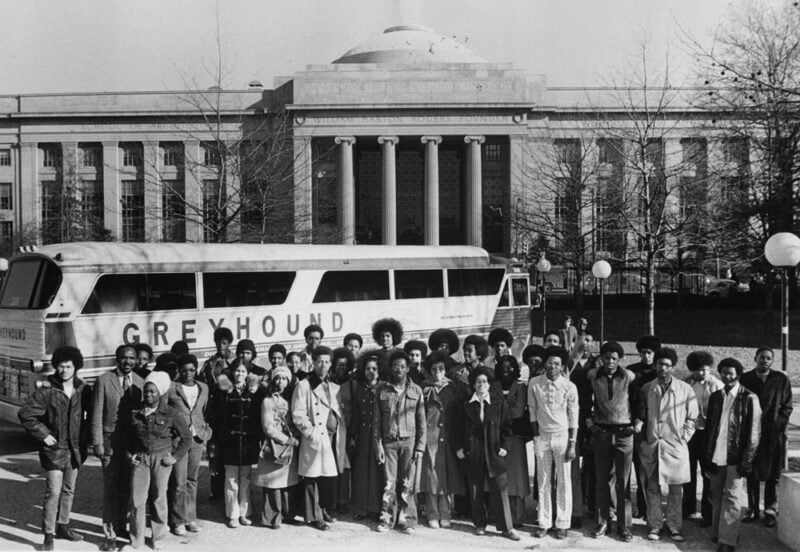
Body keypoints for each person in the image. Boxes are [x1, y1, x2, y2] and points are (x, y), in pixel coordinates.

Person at [18, 346, 92, 551]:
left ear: (76, 366)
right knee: (53, 491)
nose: (64, 370)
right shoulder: (47, 390)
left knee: (69, 490)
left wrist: (85, 438)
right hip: (54, 451)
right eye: (60, 366)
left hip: (75, 449)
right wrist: (44, 435)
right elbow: (26, 414)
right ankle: (48, 535)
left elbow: (92, 415)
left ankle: (63, 526)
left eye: (68, 366)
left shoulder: (83, 389)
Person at [124, 372, 191, 550]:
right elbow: (127, 438)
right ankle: (136, 539)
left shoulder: (171, 413)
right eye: (146, 392)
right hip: (142, 459)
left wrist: (175, 457)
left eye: (153, 392)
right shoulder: (136, 412)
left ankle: (158, 537)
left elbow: (186, 437)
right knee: (137, 500)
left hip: (161, 460)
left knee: (158, 498)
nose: (149, 395)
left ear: (160, 393)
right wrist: (131, 455)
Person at [638, 347, 698, 542]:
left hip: (675, 446)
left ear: (673, 367)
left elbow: (693, 417)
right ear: (655, 366)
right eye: (660, 364)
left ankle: (674, 526)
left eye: (667, 365)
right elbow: (641, 415)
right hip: (653, 445)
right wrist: (646, 440)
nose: (663, 368)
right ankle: (654, 525)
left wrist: (684, 437)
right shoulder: (647, 388)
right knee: (653, 488)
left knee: (675, 490)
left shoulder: (685, 389)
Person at [586, 341, 643, 542]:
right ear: (601, 357)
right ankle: (602, 521)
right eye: (606, 357)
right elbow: (585, 401)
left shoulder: (629, 376)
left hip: (624, 432)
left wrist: (636, 424)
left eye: (614, 358)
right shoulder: (593, 375)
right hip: (602, 431)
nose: (609, 361)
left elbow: (638, 402)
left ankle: (624, 525)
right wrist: (590, 424)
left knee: (623, 481)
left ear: (620, 360)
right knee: (602, 479)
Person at [456, 367, 520, 541]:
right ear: (473, 384)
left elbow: (507, 428)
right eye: (478, 381)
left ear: (489, 384)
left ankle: (507, 528)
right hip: (473, 451)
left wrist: (504, 447)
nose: (481, 385)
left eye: (484, 381)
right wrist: (461, 448)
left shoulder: (499, 402)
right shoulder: (466, 403)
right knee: (475, 489)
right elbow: (457, 429)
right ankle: (479, 524)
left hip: (494, 451)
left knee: (500, 488)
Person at [706, 358, 762, 552]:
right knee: (716, 495)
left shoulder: (749, 398)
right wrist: (708, 456)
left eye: (730, 373)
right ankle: (718, 533)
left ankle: (728, 542)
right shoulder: (715, 396)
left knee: (732, 497)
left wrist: (747, 461)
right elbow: (711, 429)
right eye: (723, 372)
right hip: (717, 455)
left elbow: (754, 434)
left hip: (735, 457)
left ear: (738, 374)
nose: (726, 376)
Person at [92, 344, 144, 551]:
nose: (128, 362)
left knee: (128, 489)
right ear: (117, 359)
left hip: (131, 445)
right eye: (124, 358)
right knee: (111, 490)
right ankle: (110, 535)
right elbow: (96, 414)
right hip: (110, 444)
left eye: (132, 358)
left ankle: (122, 526)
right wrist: (97, 443)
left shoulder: (140, 382)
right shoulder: (104, 381)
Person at [291, 345, 348, 531]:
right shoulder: (304, 385)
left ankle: (323, 509)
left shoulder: (333, 386)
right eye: (320, 361)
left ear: (331, 364)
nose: (323, 365)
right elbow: (298, 414)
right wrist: (311, 433)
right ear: (313, 362)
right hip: (316, 437)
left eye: (326, 362)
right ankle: (314, 516)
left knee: (327, 477)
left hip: (332, 438)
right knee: (312, 477)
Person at [528, 346, 578, 540]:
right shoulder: (534, 383)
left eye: (556, 364)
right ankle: (544, 523)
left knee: (564, 481)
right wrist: (536, 436)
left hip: (562, 438)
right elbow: (532, 410)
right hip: (542, 437)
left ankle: (563, 524)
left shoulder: (569, 386)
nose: (552, 367)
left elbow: (574, 416)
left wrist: (572, 443)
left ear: (562, 366)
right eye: (549, 363)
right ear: (544, 363)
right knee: (543, 480)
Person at [374, 350, 426, 534]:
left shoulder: (416, 390)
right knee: (389, 483)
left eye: (403, 366)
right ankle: (387, 519)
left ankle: (408, 521)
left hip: (409, 444)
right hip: (388, 443)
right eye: (395, 366)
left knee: (407, 483)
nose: (399, 369)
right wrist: (378, 445)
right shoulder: (382, 390)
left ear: (407, 369)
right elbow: (377, 421)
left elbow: (422, 422)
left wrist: (420, 447)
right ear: (391, 368)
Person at [740, 347, 793, 527]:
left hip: (772, 434)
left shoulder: (780, 379)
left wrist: (778, 426)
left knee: (772, 474)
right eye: (762, 357)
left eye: (768, 358)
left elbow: (787, 406)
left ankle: (770, 510)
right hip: (751, 433)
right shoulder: (746, 378)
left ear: (772, 361)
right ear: (755, 358)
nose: (765, 361)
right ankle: (753, 509)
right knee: (751, 472)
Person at [209, 361, 261, 528]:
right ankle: (232, 514)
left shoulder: (254, 391)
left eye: (243, 371)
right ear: (232, 373)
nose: (239, 374)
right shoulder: (223, 391)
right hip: (228, 442)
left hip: (248, 442)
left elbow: (257, 416)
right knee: (231, 479)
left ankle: (245, 512)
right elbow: (216, 417)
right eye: (237, 371)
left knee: (245, 478)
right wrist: (219, 439)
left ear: (247, 373)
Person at [166, 354, 212, 536]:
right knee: (178, 481)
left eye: (192, 370)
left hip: (197, 439)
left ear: (196, 370)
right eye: (184, 370)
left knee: (192, 480)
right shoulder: (171, 388)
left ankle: (190, 517)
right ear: (179, 370)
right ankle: (177, 520)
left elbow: (206, 411)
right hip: (178, 440)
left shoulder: (204, 388)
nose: (188, 373)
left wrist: (206, 431)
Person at [250, 366, 301, 529]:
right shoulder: (268, 401)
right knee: (272, 483)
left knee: (288, 482)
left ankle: (288, 514)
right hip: (275, 446)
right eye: (278, 378)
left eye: (284, 378)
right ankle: (271, 518)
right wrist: (287, 440)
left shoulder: (292, 398)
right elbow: (268, 427)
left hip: (290, 448)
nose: (281, 382)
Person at [420, 351, 465, 529]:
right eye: (434, 368)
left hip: (448, 437)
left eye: (441, 368)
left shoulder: (454, 388)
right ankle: (432, 513)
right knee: (431, 475)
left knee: (447, 475)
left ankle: (446, 513)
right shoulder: (423, 388)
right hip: (429, 437)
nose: (438, 372)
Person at [683, 350, 723, 526]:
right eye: (699, 370)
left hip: (708, 434)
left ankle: (708, 512)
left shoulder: (716, 385)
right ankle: (688, 507)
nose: (703, 373)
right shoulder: (685, 384)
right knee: (688, 472)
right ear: (692, 370)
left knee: (708, 474)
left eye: (706, 369)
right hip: (690, 433)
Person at [494, 355, 530, 528]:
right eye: (503, 367)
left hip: (515, 437)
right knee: (498, 475)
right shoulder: (494, 386)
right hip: (496, 436)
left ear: (516, 369)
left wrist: (500, 414)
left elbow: (518, 412)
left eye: (510, 367)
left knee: (516, 477)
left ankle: (517, 517)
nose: (506, 370)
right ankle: (498, 515)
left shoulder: (521, 387)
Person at [627, 334, 661, 520]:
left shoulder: (660, 372)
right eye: (643, 353)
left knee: (650, 470)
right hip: (634, 423)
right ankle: (639, 506)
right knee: (635, 466)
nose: (646, 356)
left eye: (649, 353)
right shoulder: (632, 371)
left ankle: (651, 509)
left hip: (654, 424)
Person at [348, 353, 385, 520]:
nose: (371, 372)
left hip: (379, 436)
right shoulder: (360, 388)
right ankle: (362, 508)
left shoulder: (385, 388)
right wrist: (352, 435)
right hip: (363, 434)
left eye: (374, 369)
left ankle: (377, 509)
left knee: (378, 472)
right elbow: (356, 413)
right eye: (368, 368)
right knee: (362, 471)